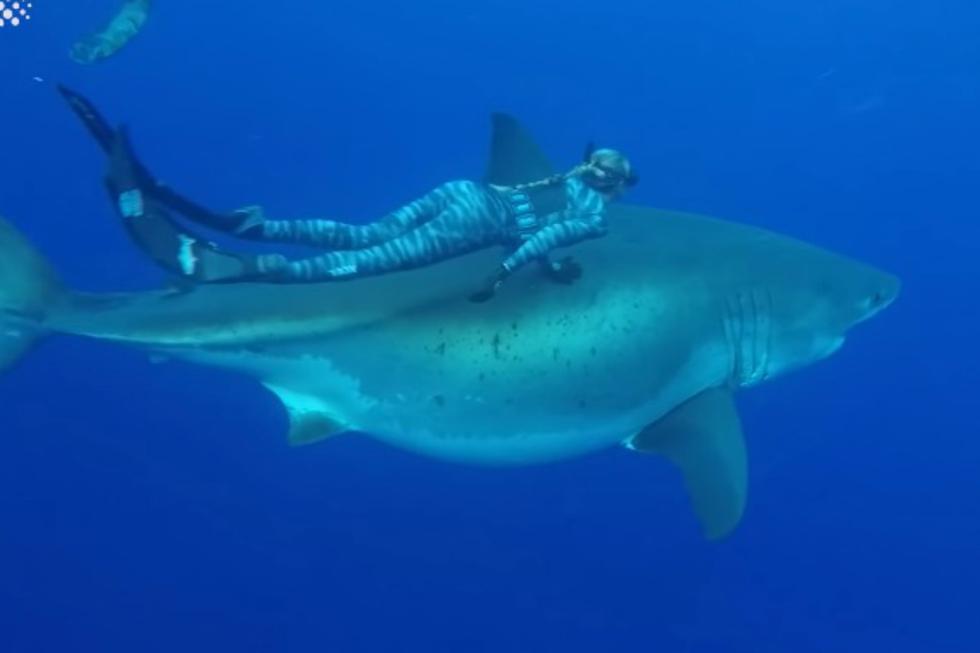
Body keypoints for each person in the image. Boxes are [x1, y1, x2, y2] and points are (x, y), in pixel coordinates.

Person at [58, 86, 638, 301]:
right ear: (617, 188)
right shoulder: (594, 216)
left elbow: (535, 215)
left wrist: (545, 263)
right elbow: (538, 243)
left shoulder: (568, 178)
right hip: (475, 227)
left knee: (364, 234)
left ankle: (247, 225)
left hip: (464, 194)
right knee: (365, 263)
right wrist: (500, 277)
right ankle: (246, 268)